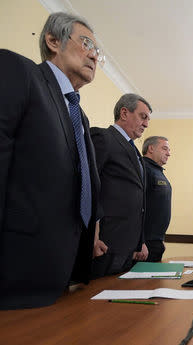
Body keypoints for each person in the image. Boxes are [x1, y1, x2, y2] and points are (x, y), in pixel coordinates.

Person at [0, 12, 103, 309]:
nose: (94, 56)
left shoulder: (79, 115)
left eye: (98, 52)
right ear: (53, 41)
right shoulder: (18, 72)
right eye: (87, 44)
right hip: (16, 272)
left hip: (66, 272)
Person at [90, 93, 152, 278]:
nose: (146, 124)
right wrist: (92, 235)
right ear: (124, 113)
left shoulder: (136, 153)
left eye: (148, 119)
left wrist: (140, 241)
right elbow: (91, 187)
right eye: (143, 117)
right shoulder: (103, 137)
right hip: (105, 244)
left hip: (129, 248)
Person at [142, 136, 172, 262]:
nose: (169, 153)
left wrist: (160, 239)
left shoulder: (157, 171)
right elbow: (137, 207)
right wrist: (140, 242)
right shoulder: (143, 168)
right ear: (151, 148)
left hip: (156, 241)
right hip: (145, 243)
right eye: (165, 148)